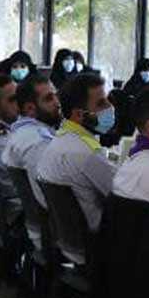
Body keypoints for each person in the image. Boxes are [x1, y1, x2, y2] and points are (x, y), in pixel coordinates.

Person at [32, 72, 118, 230]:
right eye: (101, 103)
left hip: (66, 237)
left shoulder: (61, 138)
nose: (110, 107)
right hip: (97, 238)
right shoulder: (86, 153)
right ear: (78, 114)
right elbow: (120, 195)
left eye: (108, 100)